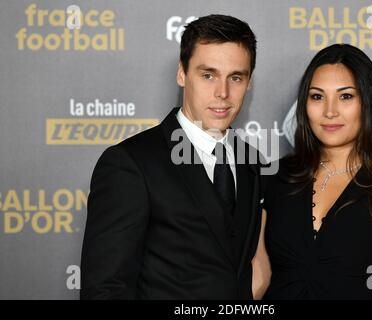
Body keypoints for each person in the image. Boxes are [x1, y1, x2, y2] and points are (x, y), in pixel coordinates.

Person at [80, 14, 265, 299]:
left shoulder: (251, 161)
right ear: (182, 74)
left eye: (236, 78)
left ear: (249, 82)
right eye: (208, 75)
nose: (223, 93)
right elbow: (106, 289)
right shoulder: (131, 164)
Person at [254, 44, 372, 300]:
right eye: (317, 96)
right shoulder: (276, 177)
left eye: (346, 96)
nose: (330, 111)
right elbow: (258, 279)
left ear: (368, 102)